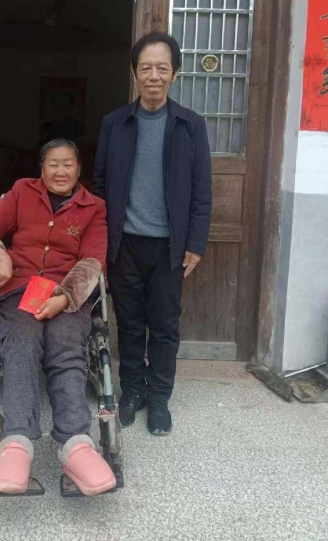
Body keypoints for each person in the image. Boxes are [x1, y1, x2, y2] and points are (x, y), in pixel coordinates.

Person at [0, 138, 116, 496]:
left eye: (68, 164)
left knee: (65, 347)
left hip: (68, 294)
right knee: (21, 344)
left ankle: (76, 444)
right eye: (53, 164)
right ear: (42, 168)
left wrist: (64, 298)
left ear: (79, 169)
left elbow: (92, 262)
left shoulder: (93, 207)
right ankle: (17, 443)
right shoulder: (23, 191)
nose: (60, 171)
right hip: (19, 290)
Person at [93, 32, 212, 436]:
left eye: (162, 68)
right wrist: (101, 241)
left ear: (175, 73)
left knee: (164, 326)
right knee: (129, 324)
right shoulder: (115, 123)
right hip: (124, 243)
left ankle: (160, 397)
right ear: (135, 73)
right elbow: (100, 183)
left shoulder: (191, 125)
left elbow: (201, 192)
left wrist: (195, 244)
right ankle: (133, 391)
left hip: (169, 247)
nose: (154, 76)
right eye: (146, 68)